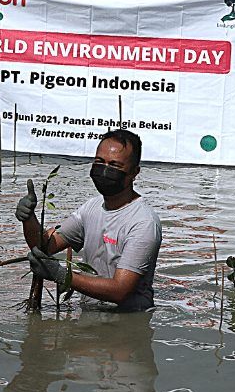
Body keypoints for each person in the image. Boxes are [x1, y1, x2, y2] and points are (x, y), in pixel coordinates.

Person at [15, 129, 162, 312]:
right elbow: (45, 246)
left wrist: (62, 275)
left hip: (127, 323)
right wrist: (29, 218)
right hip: (90, 315)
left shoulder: (143, 222)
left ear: (134, 172)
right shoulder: (91, 208)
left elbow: (120, 290)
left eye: (114, 165)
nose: (105, 169)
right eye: (100, 162)